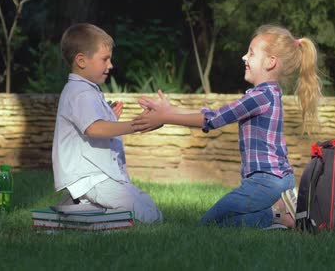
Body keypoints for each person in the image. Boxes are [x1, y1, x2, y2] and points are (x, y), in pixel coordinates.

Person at [132, 24, 322, 228]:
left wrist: (166, 117)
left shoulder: (261, 97)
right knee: (226, 223)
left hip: (266, 182)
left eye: (251, 53)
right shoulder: (265, 95)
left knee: (207, 224)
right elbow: (211, 115)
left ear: (270, 62)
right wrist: (171, 110)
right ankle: (279, 214)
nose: (244, 57)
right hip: (274, 180)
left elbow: (212, 120)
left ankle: (283, 217)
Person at [52, 23, 162, 224]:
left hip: (101, 175)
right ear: (81, 61)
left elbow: (95, 124)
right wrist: (138, 124)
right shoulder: (80, 93)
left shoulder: (88, 90)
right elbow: (94, 128)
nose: (110, 65)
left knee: (149, 206)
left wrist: (109, 117)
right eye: (105, 59)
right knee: (148, 217)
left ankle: (75, 209)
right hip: (92, 177)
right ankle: (73, 218)